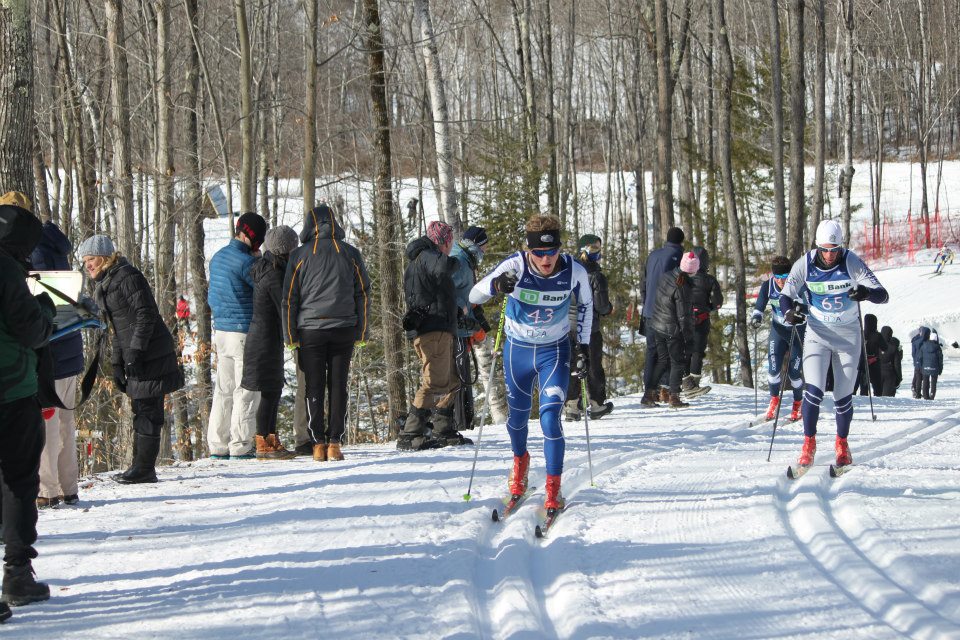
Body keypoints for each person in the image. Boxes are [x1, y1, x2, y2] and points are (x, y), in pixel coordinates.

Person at [469, 214, 592, 512]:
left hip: (555, 352)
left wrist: (583, 347)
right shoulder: (515, 266)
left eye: (552, 252)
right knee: (517, 421)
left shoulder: (574, 270)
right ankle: (520, 463)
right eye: (539, 253)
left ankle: (553, 488)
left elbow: (587, 304)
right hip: (518, 352)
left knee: (550, 419)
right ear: (528, 250)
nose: (546, 259)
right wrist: (497, 285)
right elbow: (473, 295)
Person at [778, 219, 889, 469]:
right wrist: (788, 314)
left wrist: (866, 294)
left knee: (842, 397)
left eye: (834, 249)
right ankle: (808, 443)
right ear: (818, 246)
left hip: (848, 336)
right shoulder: (804, 264)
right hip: (817, 334)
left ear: (841, 247)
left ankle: (842, 444)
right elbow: (786, 296)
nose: (829, 255)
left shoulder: (851, 261)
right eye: (825, 249)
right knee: (813, 391)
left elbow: (883, 294)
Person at [79, 235, 185, 483]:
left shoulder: (127, 277)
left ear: (105, 257)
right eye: (85, 261)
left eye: (91, 259)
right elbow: (118, 330)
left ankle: (145, 469)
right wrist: (117, 363)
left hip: (152, 354)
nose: (88, 265)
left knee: (148, 409)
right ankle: (139, 466)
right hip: (136, 355)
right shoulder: (107, 284)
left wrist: (136, 351)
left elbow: (146, 314)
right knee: (140, 408)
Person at [0, 192, 54, 612]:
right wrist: (46, 313)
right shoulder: (6, 270)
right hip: (11, 390)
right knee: (19, 481)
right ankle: (17, 573)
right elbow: (32, 333)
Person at [283, 205, 371, 461]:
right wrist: (362, 331)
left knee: (314, 386)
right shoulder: (350, 253)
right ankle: (335, 443)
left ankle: (317, 443)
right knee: (338, 385)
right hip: (344, 328)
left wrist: (290, 336)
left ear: (309, 226)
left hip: (310, 330)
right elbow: (363, 293)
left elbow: (289, 299)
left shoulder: (299, 255)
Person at [397, 221, 467, 451]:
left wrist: (455, 312)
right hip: (432, 329)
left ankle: (443, 427)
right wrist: (458, 262)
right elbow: (443, 268)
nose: (451, 247)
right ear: (444, 242)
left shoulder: (424, 258)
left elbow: (434, 291)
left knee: (453, 380)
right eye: (450, 243)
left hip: (440, 326)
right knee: (434, 381)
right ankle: (411, 432)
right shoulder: (428, 255)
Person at [30, 221, 84, 508]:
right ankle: (68, 486)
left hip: (50, 351)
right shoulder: (55, 250)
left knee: (47, 422)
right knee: (64, 422)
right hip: (69, 347)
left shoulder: (34, 254)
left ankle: (47, 489)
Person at [207, 212, 267, 459]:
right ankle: (241, 445)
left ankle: (217, 445)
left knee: (224, 389)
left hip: (221, 331)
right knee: (246, 389)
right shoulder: (248, 264)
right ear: (252, 237)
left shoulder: (218, 257)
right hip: (243, 332)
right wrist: (260, 260)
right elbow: (262, 291)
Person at [242, 226, 299, 460]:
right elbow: (284, 307)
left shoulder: (268, 267)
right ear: (286, 250)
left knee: (273, 389)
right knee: (270, 390)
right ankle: (264, 441)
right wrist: (293, 335)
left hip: (264, 336)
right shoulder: (275, 275)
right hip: (265, 339)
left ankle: (271, 439)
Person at [750, 256, 805, 421]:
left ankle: (798, 402)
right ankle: (774, 400)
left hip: (797, 332)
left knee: (794, 373)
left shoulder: (798, 285)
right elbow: (759, 306)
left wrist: (800, 311)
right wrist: (756, 318)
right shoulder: (768, 286)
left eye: (785, 277)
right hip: (778, 331)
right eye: (778, 277)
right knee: (773, 370)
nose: (781, 281)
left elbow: (809, 306)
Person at [565, 234, 613, 420]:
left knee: (572, 364)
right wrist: (608, 308)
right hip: (588, 326)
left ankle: (571, 406)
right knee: (592, 364)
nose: (598, 252)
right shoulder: (596, 276)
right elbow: (601, 305)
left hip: (568, 326)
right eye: (594, 248)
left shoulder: (570, 271)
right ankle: (595, 404)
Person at [643, 251, 699, 408]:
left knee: (662, 360)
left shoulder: (667, 275)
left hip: (657, 324)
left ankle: (648, 394)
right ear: (693, 271)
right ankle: (674, 397)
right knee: (677, 362)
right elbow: (684, 316)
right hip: (672, 329)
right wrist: (689, 338)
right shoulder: (684, 286)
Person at [450, 226, 491, 432]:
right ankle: (458, 423)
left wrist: (478, 320)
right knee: (458, 377)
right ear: (475, 245)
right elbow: (446, 293)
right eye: (484, 246)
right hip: (454, 330)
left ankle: (465, 422)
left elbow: (468, 295)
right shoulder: (459, 262)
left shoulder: (466, 261)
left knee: (464, 375)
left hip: (463, 329)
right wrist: (462, 310)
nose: (485, 251)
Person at [640, 227, 685, 405]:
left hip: (649, 310)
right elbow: (680, 286)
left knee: (652, 353)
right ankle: (665, 390)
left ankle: (649, 392)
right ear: (681, 241)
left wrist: (645, 303)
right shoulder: (679, 257)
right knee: (668, 352)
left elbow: (643, 281)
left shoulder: (653, 255)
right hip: (666, 311)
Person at [682, 246, 723, 395]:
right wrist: (709, 307)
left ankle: (685, 382)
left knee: (685, 350)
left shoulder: (681, 278)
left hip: (683, 319)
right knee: (697, 351)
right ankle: (693, 383)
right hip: (701, 319)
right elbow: (718, 301)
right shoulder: (709, 280)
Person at [857, 313, 886, 397]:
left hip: (863, 362)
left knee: (864, 386)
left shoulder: (860, 334)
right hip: (874, 362)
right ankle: (878, 400)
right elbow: (884, 347)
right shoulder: (877, 335)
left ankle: (864, 399)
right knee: (877, 387)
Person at [878, 325, 902, 397]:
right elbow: (897, 365)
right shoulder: (894, 348)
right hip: (890, 374)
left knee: (877, 397)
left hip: (877, 374)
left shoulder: (876, 346)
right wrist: (899, 378)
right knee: (887, 398)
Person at [919, 330, 943, 400]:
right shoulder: (938, 347)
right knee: (933, 382)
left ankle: (925, 396)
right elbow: (940, 360)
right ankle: (932, 395)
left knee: (925, 381)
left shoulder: (923, 345)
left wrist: (921, 366)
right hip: (935, 368)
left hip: (925, 367)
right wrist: (940, 369)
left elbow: (920, 357)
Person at [910, 326, 929, 399]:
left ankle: (915, 390)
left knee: (917, 376)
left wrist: (915, 359)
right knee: (921, 377)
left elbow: (913, 353)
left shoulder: (915, 339)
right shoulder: (923, 340)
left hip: (916, 360)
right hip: (922, 360)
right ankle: (918, 392)